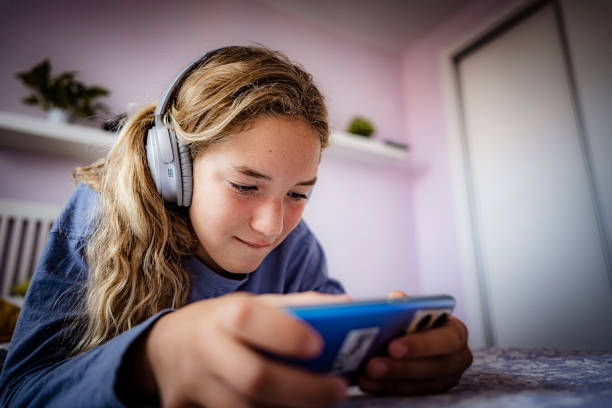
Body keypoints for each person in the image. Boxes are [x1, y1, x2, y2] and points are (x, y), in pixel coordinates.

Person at [0, 45, 472, 407]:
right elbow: (18, 390)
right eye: (245, 186)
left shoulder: (297, 244)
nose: (273, 225)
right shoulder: (99, 215)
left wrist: (398, 356)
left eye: (298, 193)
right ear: (175, 172)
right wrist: (150, 361)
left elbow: (330, 350)